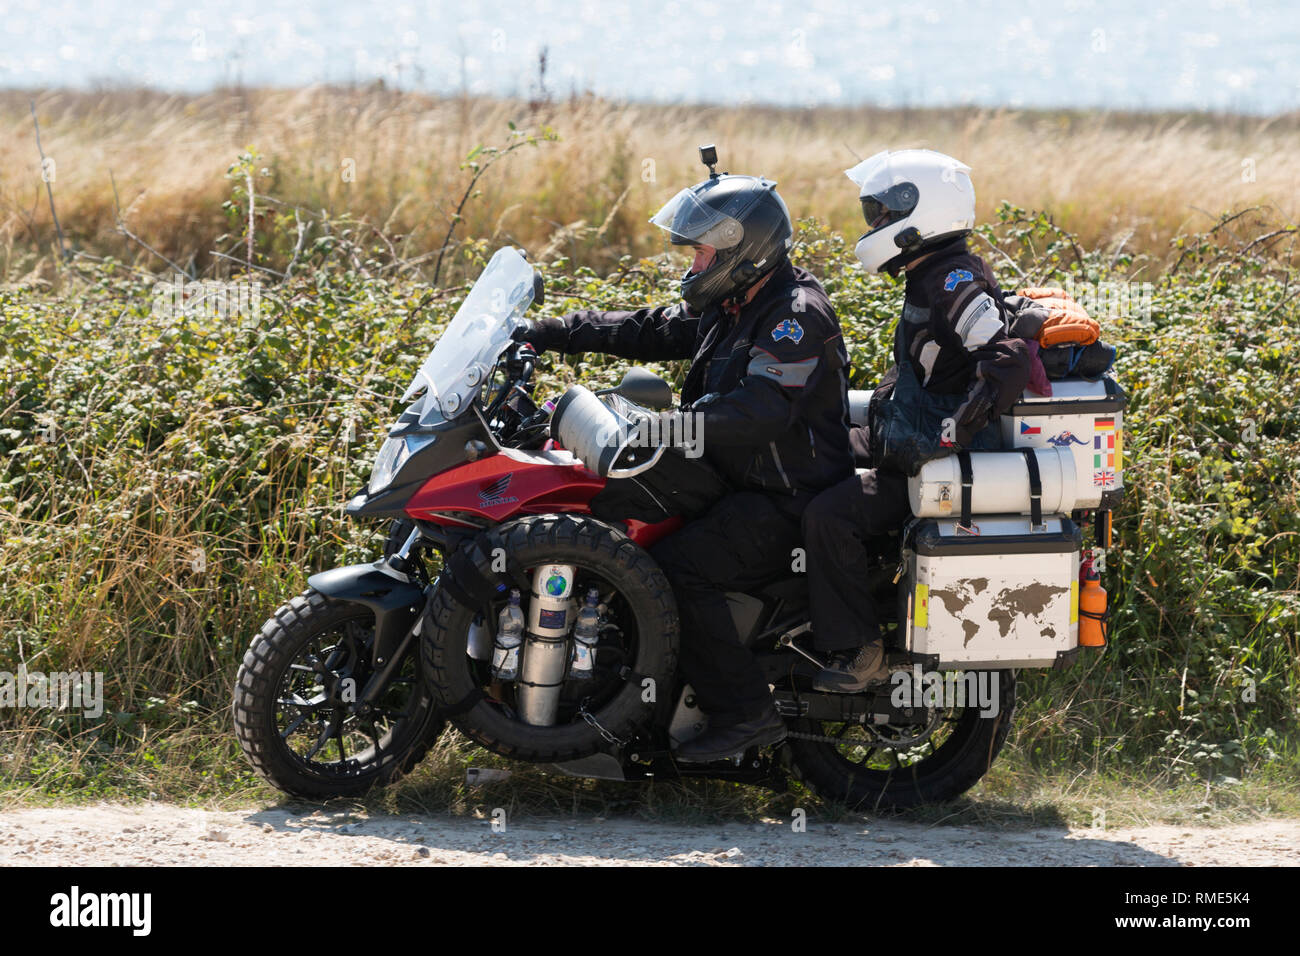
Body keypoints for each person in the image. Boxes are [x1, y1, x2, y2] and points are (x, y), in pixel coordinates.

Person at [514, 162, 853, 760]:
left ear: (740, 251)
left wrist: (666, 426)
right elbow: (645, 329)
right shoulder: (732, 303)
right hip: (733, 481)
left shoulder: (794, 316)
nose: (691, 266)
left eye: (698, 253)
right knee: (614, 513)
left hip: (783, 496)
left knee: (674, 568)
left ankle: (746, 714)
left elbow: (761, 410)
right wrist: (544, 332)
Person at [803, 149, 1035, 692]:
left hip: (927, 459)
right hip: (903, 441)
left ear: (920, 210)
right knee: (808, 456)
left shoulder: (952, 278)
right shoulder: (931, 270)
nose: (876, 224)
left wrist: (956, 429)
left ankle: (860, 647)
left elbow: (1008, 358)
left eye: (883, 212)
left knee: (827, 514)